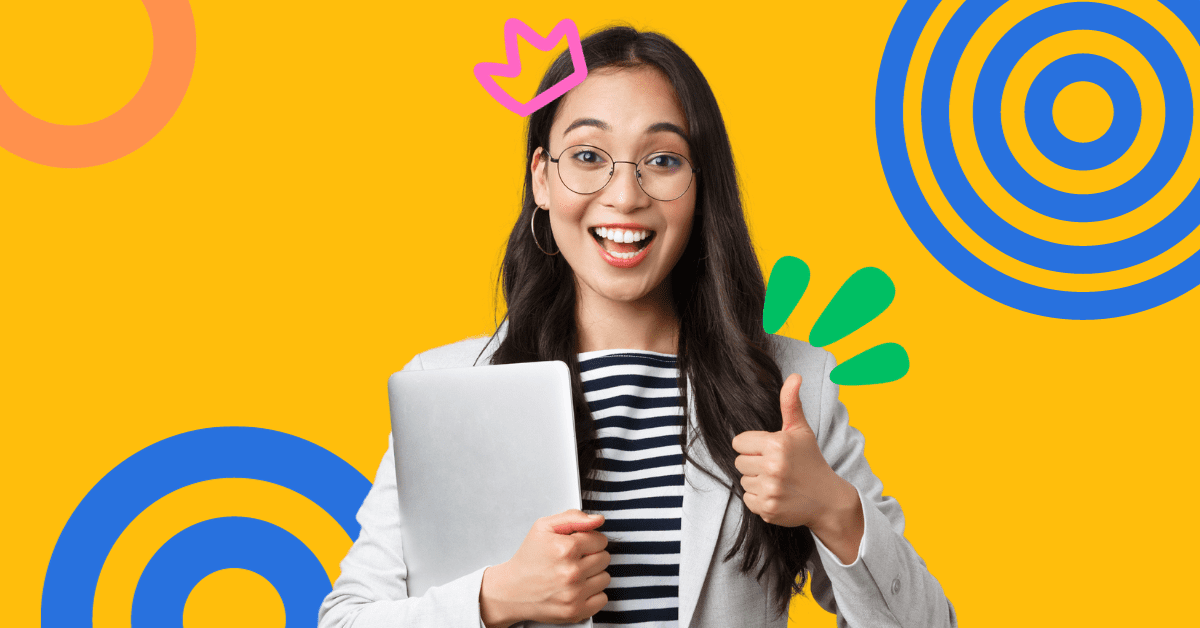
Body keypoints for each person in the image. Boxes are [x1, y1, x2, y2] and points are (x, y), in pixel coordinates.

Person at [318, 25, 956, 628]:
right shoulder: (449, 387)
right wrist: (495, 598)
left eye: (663, 159)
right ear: (542, 178)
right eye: (589, 155)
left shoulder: (793, 385)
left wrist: (834, 509)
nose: (625, 195)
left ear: (702, 186)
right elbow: (348, 617)